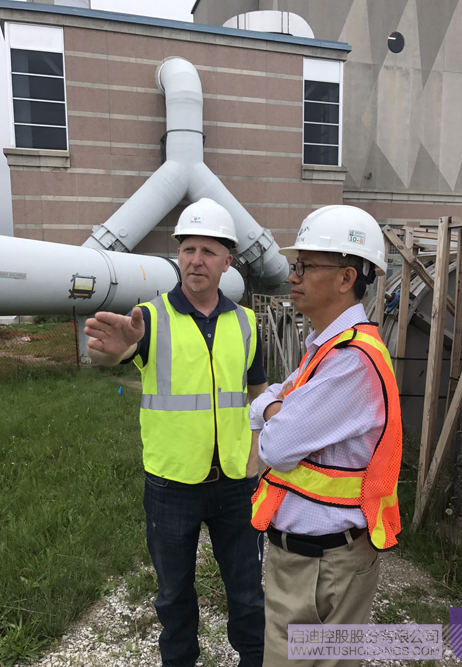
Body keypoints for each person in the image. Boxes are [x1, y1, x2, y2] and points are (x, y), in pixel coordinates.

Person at [84, 198, 267, 667]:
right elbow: (115, 353)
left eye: (208, 251)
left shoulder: (245, 322)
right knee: (174, 596)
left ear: (227, 262)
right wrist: (111, 351)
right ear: (178, 255)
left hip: (236, 483)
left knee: (248, 594)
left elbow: (258, 394)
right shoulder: (150, 318)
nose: (196, 260)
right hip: (171, 485)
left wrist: (257, 455)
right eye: (188, 249)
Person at [250, 205, 402, 667]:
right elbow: (272, 400)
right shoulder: (329, 348)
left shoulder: (350, 361)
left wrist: (274, 411)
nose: (293, 276)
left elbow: (274, 446)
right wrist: (277, 409)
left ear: (345, 278)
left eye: (305, 266)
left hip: (321, 568)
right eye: (296, 265)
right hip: (318, 561)